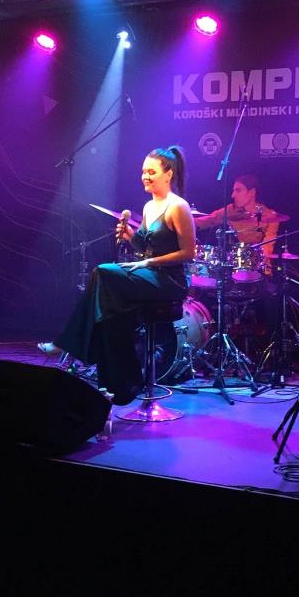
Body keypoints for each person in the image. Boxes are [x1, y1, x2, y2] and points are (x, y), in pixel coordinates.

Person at [39, 146, 196, 405]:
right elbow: (144, 247)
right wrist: (130, 236)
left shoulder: (178, 207)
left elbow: (188, 252)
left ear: (168, 174)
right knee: (109, 308)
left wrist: (149, 261)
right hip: (150, 274)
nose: (145, 176)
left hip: (170, 281)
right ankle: (119, 385)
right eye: (143, 171)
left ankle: (70, 345)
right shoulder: (149, 206)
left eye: (151, 172)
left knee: (103, 272)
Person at [195, 174, 281, 263]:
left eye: (238, 190)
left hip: (259, 265)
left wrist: (253, 261)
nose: (233, 195)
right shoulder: (231, 209)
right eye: (233, 190)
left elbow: (267, 248)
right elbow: (209, 220)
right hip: (234, 264)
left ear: (252, 192)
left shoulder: (270, 216)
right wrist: (187, 222)